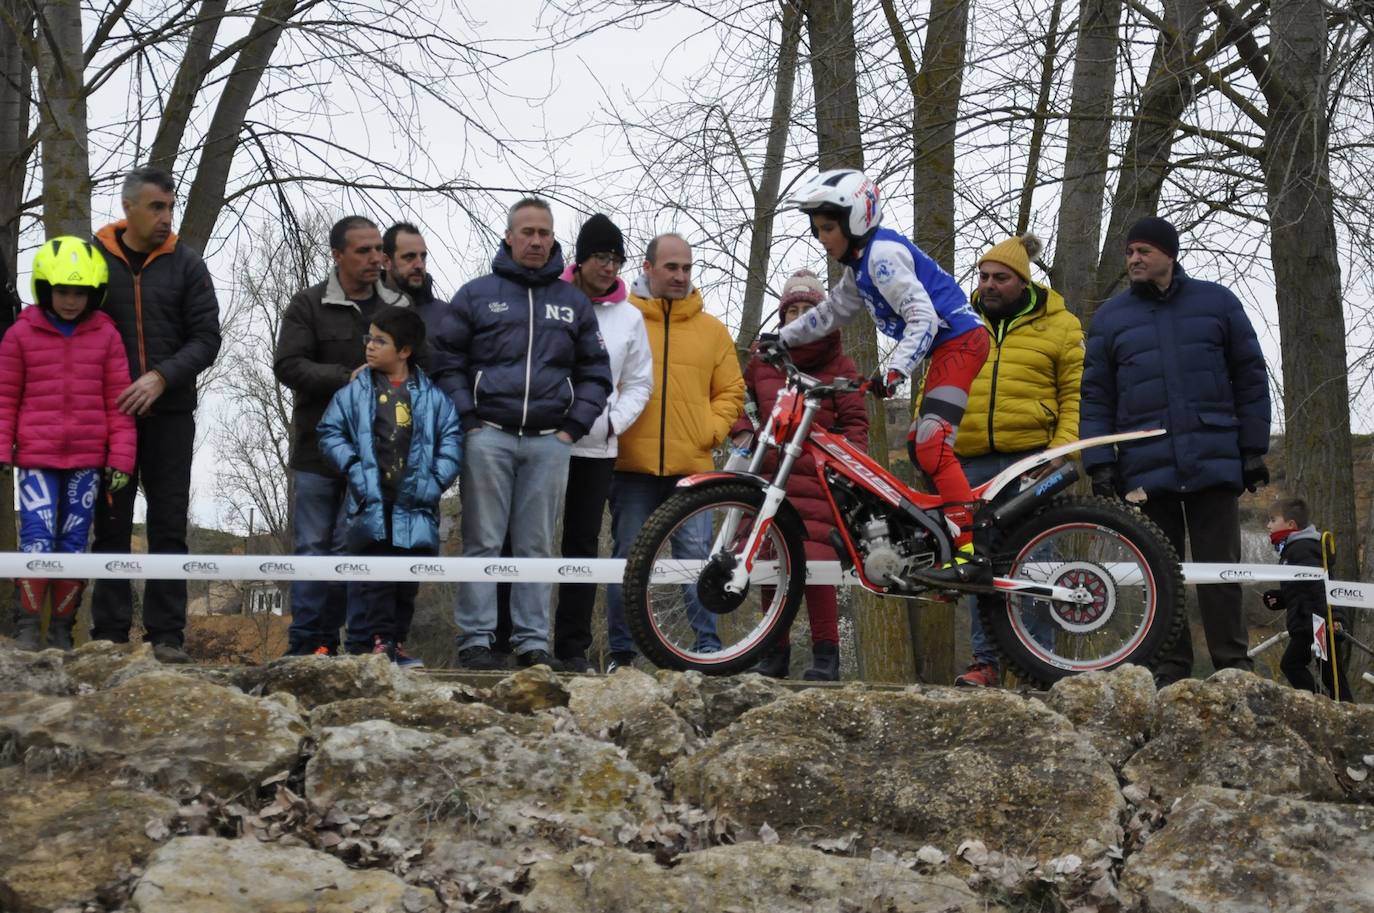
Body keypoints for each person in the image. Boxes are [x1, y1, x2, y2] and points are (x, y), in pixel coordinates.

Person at [1080, 216, 1271, 688]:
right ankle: (1170, 670)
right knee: (1158, 573)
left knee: (1221, 571)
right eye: (1128, 253)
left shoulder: (1218, 303)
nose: (1133, 259)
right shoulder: (1110, 318)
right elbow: (1096, 395)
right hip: (1143, 467)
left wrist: (1252, 450)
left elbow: (1249, 377)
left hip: (1213, 457)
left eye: (1143, 250)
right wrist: (1101, 463)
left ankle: (1232, 666)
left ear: (1170, 254)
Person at [778, 169, 990, 585]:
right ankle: (945, 526)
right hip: (947, 347)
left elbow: (923, 316)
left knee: (931, 440)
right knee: (918, 444)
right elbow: (831, 312)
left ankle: (971, 549)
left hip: (962, 341)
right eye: (816, 228)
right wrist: (779, 340)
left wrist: (895, 370)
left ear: (855, 220)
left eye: (826, 228)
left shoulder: (881, 256)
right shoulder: (860, 267)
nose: (821, 237)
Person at [431, 197, 611, 671]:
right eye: (527, 231)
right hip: (487, 434)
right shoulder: (474, 294)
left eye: (544, 233)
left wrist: (574, 427)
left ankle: (533, 641)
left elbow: (597, 371)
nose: (536, 240)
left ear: (554, 240)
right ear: (509, 237)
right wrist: (467, 420)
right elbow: (447, 361)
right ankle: (476, 640)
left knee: (536, 545)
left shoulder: (574, 303)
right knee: (482, 540)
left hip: (551, 441)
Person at [90, 165, 222, 664]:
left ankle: (167, 635)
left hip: (171, 412)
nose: (167, 217)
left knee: (168, 523)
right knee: (110, 522)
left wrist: (162, 376)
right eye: (156, 207)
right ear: (128, 208)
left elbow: (207, 337)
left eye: (171, 207)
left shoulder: (187, 264)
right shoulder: (93, 258)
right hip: (110, 417)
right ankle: (108, 634)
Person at [604, 232, 745, 673]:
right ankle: (621, 654)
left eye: (686, 267)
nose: (681, 275)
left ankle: (704, 651)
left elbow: (731, 390)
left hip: (693, 470)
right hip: (629, 467)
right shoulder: (623, 320)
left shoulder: (713, 330)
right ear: (648, 268)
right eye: (671, 267)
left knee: (696, 561)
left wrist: (712, 430)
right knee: (627, 558)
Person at [274, 216, 411, 656]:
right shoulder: (307, 305)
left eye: (378, 250)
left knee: (357, 549)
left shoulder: (398, 309)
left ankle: (357, 645)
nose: (376, 258)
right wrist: (343, 378)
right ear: (337, 255)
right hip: (317, 453)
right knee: (314, 548)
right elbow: (288, 365)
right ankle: (308, 643)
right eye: (364, 250)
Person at [951, 234, 1083, 687]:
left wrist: (1062, 451)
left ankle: (1037, 665)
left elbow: (1075, 395)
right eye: (983, 276)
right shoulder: (960, 322)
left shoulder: (1061, 325)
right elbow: (935, 384)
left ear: (1022, 281)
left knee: (1036, 565)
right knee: (976, 566)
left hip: (1031, 461)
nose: (988, 284)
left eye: (1000, 277)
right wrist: (930, 439)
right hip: (967, 463)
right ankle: (986, 662)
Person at [0, 238, 136, 651]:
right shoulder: (19, 335)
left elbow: (120, 405)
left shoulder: (108, 337)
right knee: (36, 540)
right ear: (45, 289)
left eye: (80, 293)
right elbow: (5, 397)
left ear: (94, 295)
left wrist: (121, 459)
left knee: (74, 543)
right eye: (62, 291)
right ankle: (27, 627)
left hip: (87, 460)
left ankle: (61, 631)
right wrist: (3, 450)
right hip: (36, 459)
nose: (71, 301)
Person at [730, 270, 867, 680]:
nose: (801, 315)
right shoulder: (763, 360)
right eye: (794, 309)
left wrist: (848, 464)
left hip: (820, 483)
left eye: (810, 309)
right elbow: (741, 401)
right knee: (769, 564)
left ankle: (826, 654)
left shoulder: (841, 364)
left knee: (815, 568)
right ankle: (774, 650)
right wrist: (743, 433)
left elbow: (856, 422)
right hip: (768, 477)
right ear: (782, 314)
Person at [316, 306, 461, 668]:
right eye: (369, 337)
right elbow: (329, 432)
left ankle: (397, 642)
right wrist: (352, 466)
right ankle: (379, 643)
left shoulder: (432, 396)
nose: (370, 346)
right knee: (376, 578)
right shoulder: (355, 392)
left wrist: (435, 482)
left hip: (415, 506)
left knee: (407, 581)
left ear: (405, 351)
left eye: (380, 340)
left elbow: (452, 440)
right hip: (372, 505)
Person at [551, 214, 653, 672]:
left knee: (582, 545)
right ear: (581, 258)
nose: (609, 267)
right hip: (543, 442)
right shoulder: (550, 300)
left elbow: (639, 384)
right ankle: (518, 640)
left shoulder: (631, 317)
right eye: (600, 257)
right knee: (528, 542)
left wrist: (612, 423)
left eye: (616, 259)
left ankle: (572, 648)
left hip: (595, 449)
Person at [1263, 498, 1351, 701]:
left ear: (1291, 524)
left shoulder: (1302, 548)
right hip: (1308, 621)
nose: (1268, 525)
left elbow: (1321, 585)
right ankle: (1329, 706)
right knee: (1329, 673)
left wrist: (1334, 617)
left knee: (1300, 666)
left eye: (1272, 519)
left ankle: (1321, 706)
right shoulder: (1293, 550)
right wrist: (1281, 597)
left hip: (1318, 623)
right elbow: (1302, 588)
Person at [382, 222, 442, 332]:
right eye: (409, 257)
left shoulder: (449, 317)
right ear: (386, 261)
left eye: (423, 257)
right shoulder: (359, 313)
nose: (419, 265)